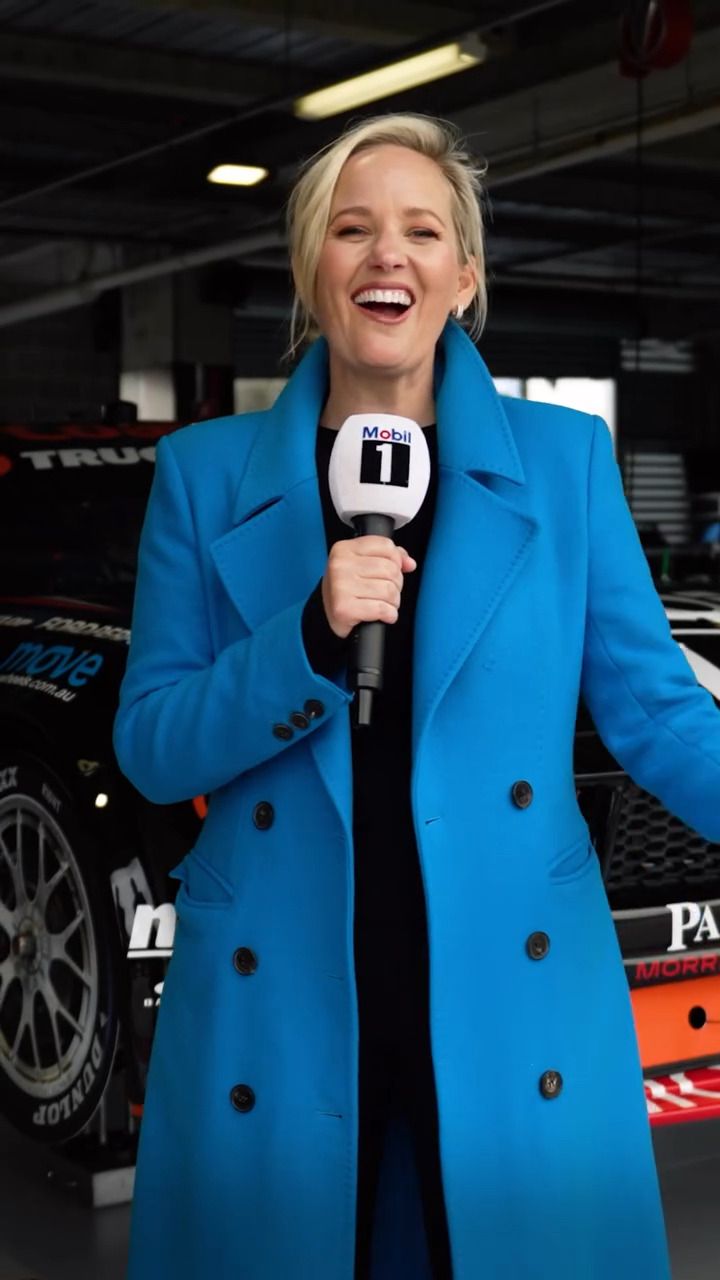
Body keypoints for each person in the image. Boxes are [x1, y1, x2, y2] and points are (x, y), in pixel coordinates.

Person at [113, 112, 720, 1280]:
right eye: (353, 229)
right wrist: (306, 634)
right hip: (280, 989)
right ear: (312, 269)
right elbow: (151, 744)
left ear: (465, 276)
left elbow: (658, 711)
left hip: (509, 983)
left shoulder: (565, 462)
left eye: (422, 230)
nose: (387, 253)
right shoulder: (201, 474)